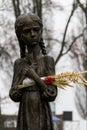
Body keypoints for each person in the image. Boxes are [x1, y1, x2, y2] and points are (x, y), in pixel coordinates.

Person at [9, 13, 58, 130]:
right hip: (25, 110)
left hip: (42, 110)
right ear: (20, 36)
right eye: (27, 31)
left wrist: (34, 77)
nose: (32, 34)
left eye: (36, 30)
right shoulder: (19, 63)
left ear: (41, 31)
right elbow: (13, 94)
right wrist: (22, 78)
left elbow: (52, 93)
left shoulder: (48, 61)